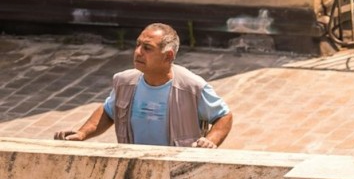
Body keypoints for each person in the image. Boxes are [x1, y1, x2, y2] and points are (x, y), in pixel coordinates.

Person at [54, 23, 232, 148]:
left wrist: (211, 141)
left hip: (176, 172)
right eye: (138, 45)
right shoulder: (124, 83)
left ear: (168, 56)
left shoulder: (192, 87)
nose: (138, 52)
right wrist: (82, 133)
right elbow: (108, 112)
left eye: (147, 48)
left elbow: (224, 116)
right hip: (135, 168)